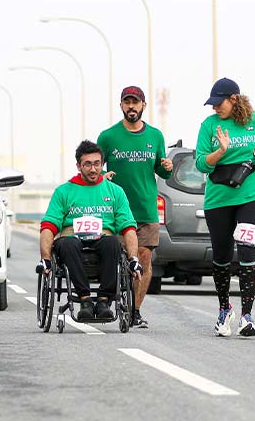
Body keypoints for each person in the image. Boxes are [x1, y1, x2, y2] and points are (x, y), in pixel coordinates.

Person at [195, 77, 255, 338]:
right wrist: (220, 151)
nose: (215, 108)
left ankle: (247, 316)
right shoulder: (209, 126)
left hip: (252, 196)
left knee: (247, 247)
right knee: (221, 256)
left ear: (234, 99)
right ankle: (224, 308)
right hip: (218, 199)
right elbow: (201, 164)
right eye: (212, 104)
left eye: (219, 103)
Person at [37, 140, 143, 321]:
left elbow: (128, 227)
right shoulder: (63, 191)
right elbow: (48, 226)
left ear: (102, 164)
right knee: (68, 244)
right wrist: (46, 259)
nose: (93, 169)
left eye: (96, 164)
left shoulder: (115, 191)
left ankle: (103, 301)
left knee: (113, 243)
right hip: (71, 237)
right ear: (79, 166)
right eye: (87, 164)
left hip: (103, 236)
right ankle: (84, 300)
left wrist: (133, 259)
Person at [97, 86, 172, 328]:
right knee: (114, 257)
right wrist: (101, 175)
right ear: (121, 106)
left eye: (135, 102)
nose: (131, 106)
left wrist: (167, 166)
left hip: (146, 209)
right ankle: (109, 300)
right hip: (115, 210)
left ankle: (135, 309)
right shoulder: (108, 137)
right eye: (127, 102)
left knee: (144, 259)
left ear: (143, 106)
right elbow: (94, 167)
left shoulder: (155, 136)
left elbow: (161, 169)